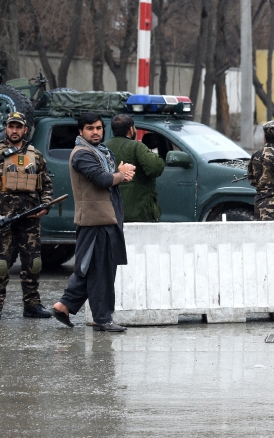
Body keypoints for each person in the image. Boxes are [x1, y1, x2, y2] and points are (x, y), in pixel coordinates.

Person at [52, 112, 136, 332]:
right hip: (95, 220)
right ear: (81, 131)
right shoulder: (82, 154)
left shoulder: (101, 152)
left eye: (98, 128)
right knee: (99, 270)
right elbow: (101, 179)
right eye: (90, 128)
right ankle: (101, 317)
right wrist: (121, 174)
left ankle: (65, 305)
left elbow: (107, 177)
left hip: (105, 218)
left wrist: (119, 174)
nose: (96, 132)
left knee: (93, 268)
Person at [0, 112, 54, 320]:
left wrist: (46, 206)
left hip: (29, 220)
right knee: (2, 265)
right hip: (3, 219)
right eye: (11, 126)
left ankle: (32, 304)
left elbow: (47, 185)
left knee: (33, 263)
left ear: (25, 129)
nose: (14, 130)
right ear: (6, 128)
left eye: (18, 127)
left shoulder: (36, 156)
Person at [105, 114, 165, 222]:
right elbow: (155, 168)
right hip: (137, 212)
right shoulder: (136, 147)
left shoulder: (103, 148)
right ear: (131, 129)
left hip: (110, 211)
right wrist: (156, 157)